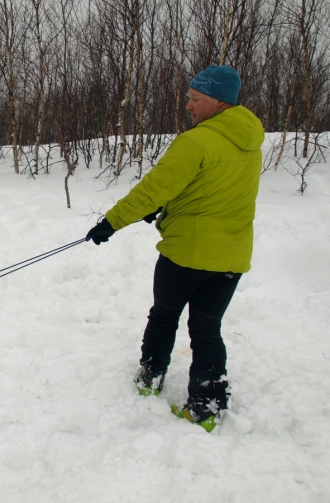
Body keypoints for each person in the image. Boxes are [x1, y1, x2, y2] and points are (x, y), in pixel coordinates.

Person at [86, 65, 265, 432]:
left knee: (164, 315)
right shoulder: (250, 143)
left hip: (186, 255)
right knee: (206, 329)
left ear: (218, 102)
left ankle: (150, 377)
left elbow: (154, 188)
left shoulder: (196, 141)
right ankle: (206, 407)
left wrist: (111, 222)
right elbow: (210, 190)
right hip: (231, 256)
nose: (188, 105)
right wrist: (167, 208)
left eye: (194, 99)